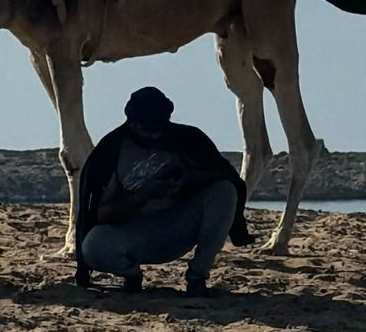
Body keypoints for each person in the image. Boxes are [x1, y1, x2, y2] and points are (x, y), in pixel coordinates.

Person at [74, 85, 247, 297]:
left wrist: (187, 180)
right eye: (147, 128)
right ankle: (131, 274)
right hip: (131, 234)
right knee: (94, 245)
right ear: (131, 123)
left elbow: (222, 174)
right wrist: (144, 195)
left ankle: (197, 277)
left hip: (178, 227)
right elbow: (102, 213)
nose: (154, 134)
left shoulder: (188, 138)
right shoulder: (112, 150)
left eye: (159, 127)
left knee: (225, 191)